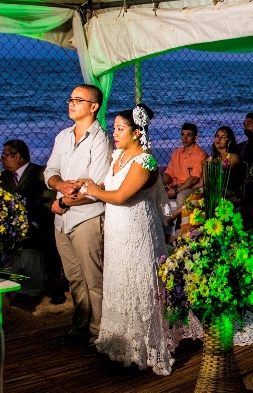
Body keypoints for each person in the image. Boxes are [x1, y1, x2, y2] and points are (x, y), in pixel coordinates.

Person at [78, 106, 199, 372]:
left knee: (141, 282)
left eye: (121, 128)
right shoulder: (118, 156)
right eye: (115, 128)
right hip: (118, 231)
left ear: (136, 132)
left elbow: (121, 196)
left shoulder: (145, 161)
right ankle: (120, 342)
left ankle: (149, 346)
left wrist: (95, 191)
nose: (115, 132)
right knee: (120, 281)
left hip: (138, 231)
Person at [44, 84, 111, 353]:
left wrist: (61, 201)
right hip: (62, 220)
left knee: (93, 280)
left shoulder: (100, 139)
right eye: (71, 99)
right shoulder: (62, 136)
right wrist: (59, 185)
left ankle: (99, 335)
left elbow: (98, 187)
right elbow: (50, 170)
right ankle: (80, 327)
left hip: (87, 219)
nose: (71, 103)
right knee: (74, 278)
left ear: (94, 107)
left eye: (78, 100)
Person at [0, 139, 64, 303]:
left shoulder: (41, 173)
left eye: (5, 155)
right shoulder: (1, 178)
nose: (1, 159)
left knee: (50, 236)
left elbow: (49, 202)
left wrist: (33, 223)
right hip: (12, 226)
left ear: (18, 156)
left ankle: (54, 285)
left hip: (39, 223)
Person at [162, 123, 207, 210]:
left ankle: (180, 223)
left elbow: (194, 178)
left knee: (181, 196)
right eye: (182, 134)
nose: (184, 138)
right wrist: (162, 185)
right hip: (176, 186)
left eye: (189, 135)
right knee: (156, 192)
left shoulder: (201, 155)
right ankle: (163, 222)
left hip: (192, 187)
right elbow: (169, 173)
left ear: (195, 138)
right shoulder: (176, 153)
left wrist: (176, 190)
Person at [210, 126, 245, 199]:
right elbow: (204, 182)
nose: (218, 139)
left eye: (223, 137)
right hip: (212, 191)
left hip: (228, 193)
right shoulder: (209, 159)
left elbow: (235, 182)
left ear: (229, 142)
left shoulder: (233, 158)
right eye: (217, 136)